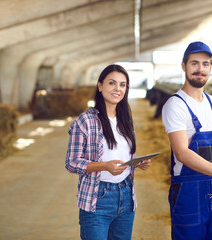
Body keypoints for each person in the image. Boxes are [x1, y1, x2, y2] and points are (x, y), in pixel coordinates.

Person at [162, 41, 212, 240]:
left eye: (205, 64)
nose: (200, 69)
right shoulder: (175, 105)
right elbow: (181, 152)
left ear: (210, 68)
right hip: (188, 191)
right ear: (184, 66)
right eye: (194, 64)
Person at [65, 64, 151, 240]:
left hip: (126, 195)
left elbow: (124, 154)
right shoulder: (85, 121)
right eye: (112, 83)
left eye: (122, 84)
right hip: (98, 198)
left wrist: (137, 162)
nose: (117, 89)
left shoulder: (125, 119)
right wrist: (104, 166)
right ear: (100, 85)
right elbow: (72, 162)